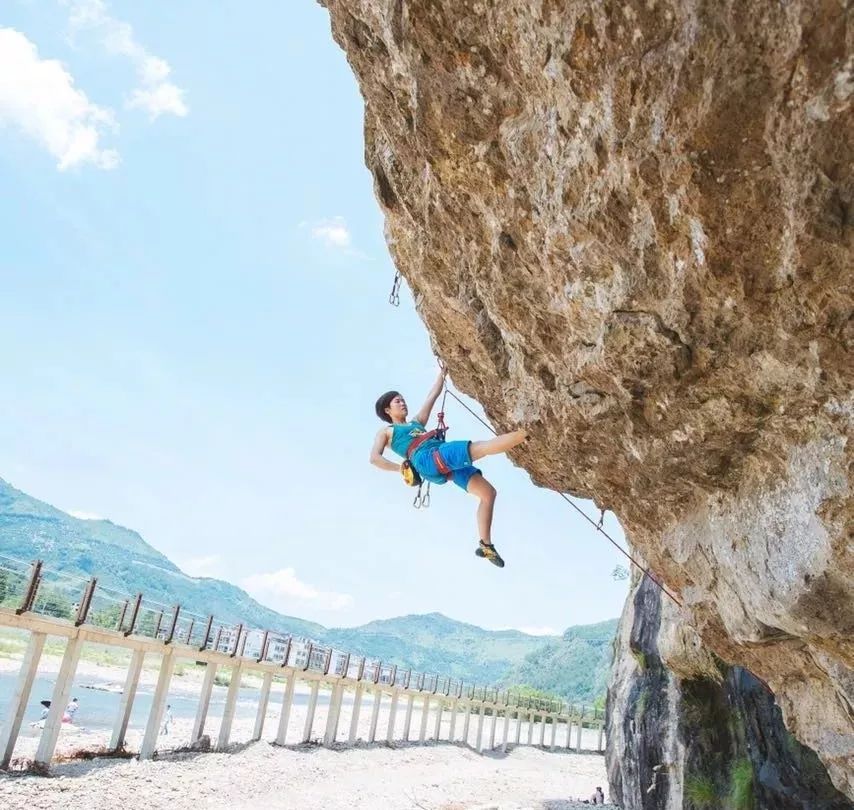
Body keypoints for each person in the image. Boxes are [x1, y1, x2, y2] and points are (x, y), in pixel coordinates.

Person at [371, 365, 528, 567]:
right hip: (427, 458)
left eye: (403, 399)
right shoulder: (387, 431)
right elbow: (374, 458)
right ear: (387, 410)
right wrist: (400, 468)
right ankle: (527, 432)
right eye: (397, 401)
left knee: (488, 493)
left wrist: (442, 373)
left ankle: (486, 545)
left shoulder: (417, 423)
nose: (403, 403)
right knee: (481, 447)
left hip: (438, 459)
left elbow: (431, 397)